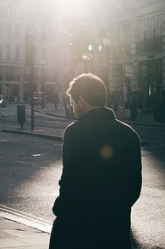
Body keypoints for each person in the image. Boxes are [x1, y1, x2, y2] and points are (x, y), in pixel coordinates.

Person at [50, 73, 142, 249]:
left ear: (82, 101)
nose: (73, 109)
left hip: (80, 232)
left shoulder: (76, 132)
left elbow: (71, 183)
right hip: (117, 231)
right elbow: (134, 188)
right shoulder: (130, 134)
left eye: (73, 103)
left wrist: (60, 210)